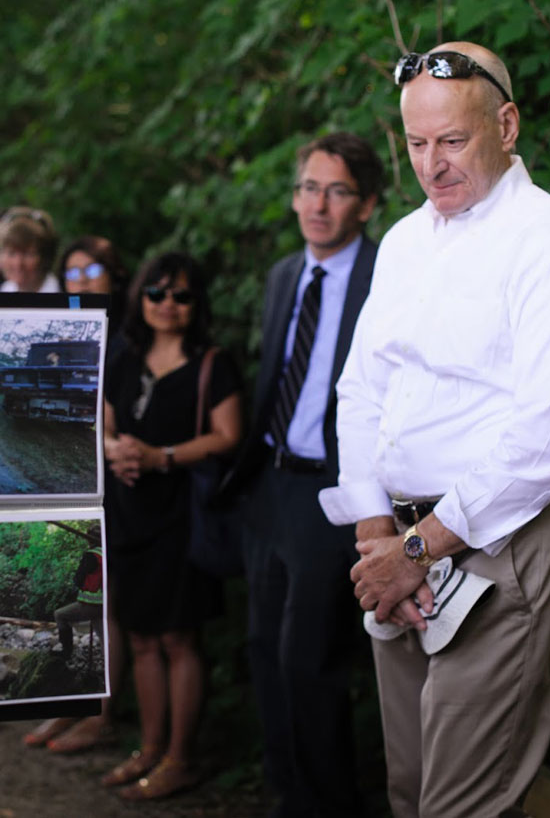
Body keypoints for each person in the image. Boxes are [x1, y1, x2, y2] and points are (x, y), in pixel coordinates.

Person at [322, 43, 550, 817]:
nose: (432, 164)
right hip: (403, 548)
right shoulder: (404, 242)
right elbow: (360, 390)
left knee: (461, 804)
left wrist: (417, 549)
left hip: (501, 548)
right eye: (417, 143)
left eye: (453, 140)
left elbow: (548, 442)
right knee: (412, 790)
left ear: (507, 123)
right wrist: (377, 537)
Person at [220, 132, 382, 816]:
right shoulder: (286, 273)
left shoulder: (386, 278)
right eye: (309, 187)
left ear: (367, 204)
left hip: (333, 490)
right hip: (272, 484)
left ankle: (325, 804)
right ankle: (286, 791)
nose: (319, 204)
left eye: (338, 190)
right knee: (262, 648)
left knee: (309, 660)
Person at [101, 251, 242, 800]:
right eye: (156, 293)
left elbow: (229, 435)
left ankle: (180, 758)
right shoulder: (126, 356)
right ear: (141, 296)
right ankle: (149, 749)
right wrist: (118, 452)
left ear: (196, 304)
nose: (166, 304)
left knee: (179, 639)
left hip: (182, 516)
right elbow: (106, 424)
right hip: (130, 509)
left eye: (181, 296)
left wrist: (161, 456)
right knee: (139, 637)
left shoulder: (212, 362)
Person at [21, 235, 131, 755]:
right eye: (74, 274)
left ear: (113, 276)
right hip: (72, 477)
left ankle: (101, 714)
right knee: (94, 602)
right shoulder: (65, 330)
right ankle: (76, 704)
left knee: (110, 605)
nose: (81, 282)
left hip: (118, 485)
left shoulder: (125, 336)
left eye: (92, 273)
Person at [0, 207, 61, 293]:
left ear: (45, 257)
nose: (18, 263)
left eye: (28, 254)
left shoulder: (60, 292)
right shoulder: (5, 289)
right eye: (11, 253)